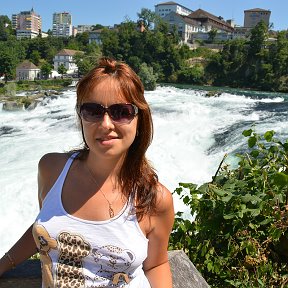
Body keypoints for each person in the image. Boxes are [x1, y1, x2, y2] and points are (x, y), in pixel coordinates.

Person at [0, 57, 175, 287]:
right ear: (80, 116)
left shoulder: (154, 199)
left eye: (121, 111)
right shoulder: (51, 169)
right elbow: (44, 228)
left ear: (139, 119)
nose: (105, 124)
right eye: (92, 110)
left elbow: (156, 265)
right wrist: (4, 263)